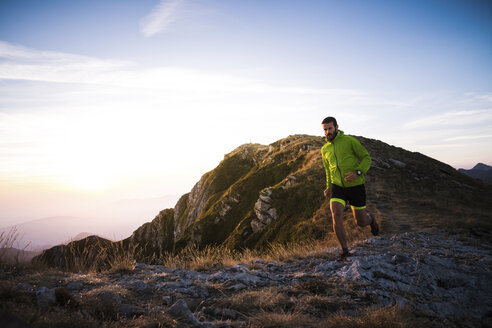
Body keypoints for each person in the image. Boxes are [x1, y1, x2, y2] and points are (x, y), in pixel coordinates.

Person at [321, 116, 379, 260]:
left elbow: (366, 158)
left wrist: (358, 172)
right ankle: (344, 251)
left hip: (355, 186)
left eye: (330, 128)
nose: (328, 132)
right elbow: (328, 170)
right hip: (337, 187)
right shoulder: (325, 149)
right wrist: (328, 187)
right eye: (325, 129)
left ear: (336, 127)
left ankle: (370, 219)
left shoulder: (349, 141)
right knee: (336, 215)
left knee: (360, 222)